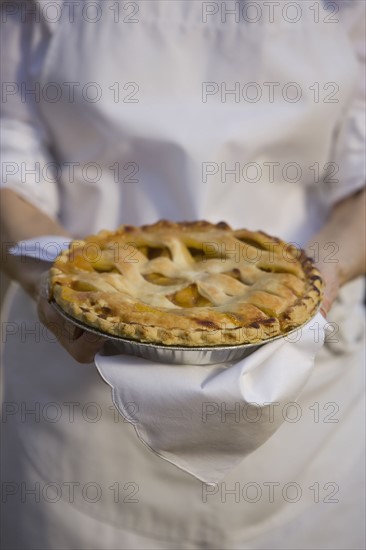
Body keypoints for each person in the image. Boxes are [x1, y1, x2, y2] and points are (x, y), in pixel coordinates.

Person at [1, 1, 365, 548]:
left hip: (303, 419)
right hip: (83, 418)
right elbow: (9, 154)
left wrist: (326, 267)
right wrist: (50, 274)